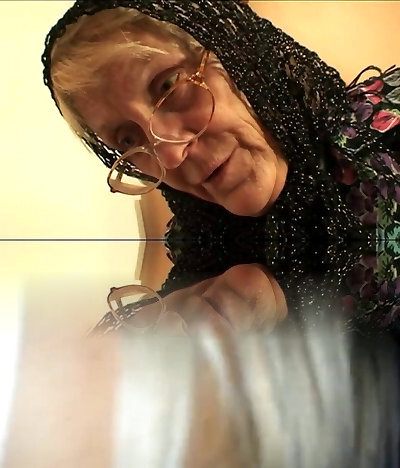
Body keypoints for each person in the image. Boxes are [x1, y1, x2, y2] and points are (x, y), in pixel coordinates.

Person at [42, 0, 399, 235]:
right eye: (127, 139)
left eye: (168, 85)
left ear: (236, 56)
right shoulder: (202, 254)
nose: (169, 156)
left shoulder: (388, 142)